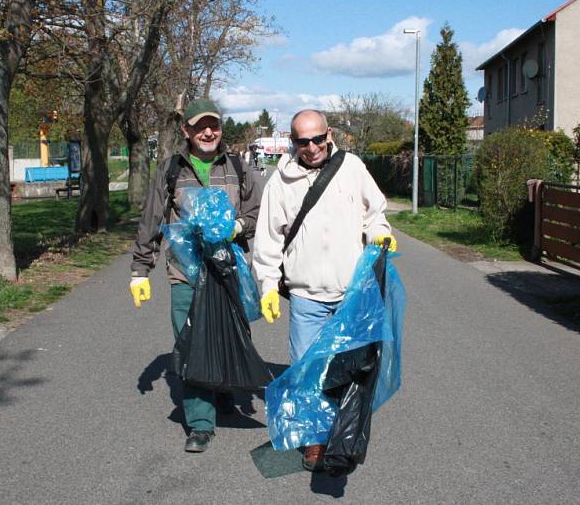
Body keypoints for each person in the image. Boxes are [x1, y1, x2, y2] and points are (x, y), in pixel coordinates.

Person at [252, 109, 397, 472]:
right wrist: (268, 286)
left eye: (319, 138)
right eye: (304, 141)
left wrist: (379, 231)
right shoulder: (280, 181)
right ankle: (314, 441)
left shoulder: (352, 167)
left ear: (329, 134)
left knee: (351, 370)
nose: (313, 147)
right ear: (292, 140)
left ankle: (341, 433)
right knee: (307, 372)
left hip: (352, 296)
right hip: (306, 298)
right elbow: (267, 240)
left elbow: (374, 211)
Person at [130, 98, 261, 453]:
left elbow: (257, 211)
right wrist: (140, 271)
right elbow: (151, 220)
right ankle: (201, 423)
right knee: (191, 345)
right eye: (200, 126)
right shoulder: (171, 169)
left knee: (229, 337)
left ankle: (221, 395)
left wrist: (238, 225)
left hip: (228, 274)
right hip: (185, 274)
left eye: (214, 126)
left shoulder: (237, 166)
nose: (208, 132)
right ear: (186, 130)